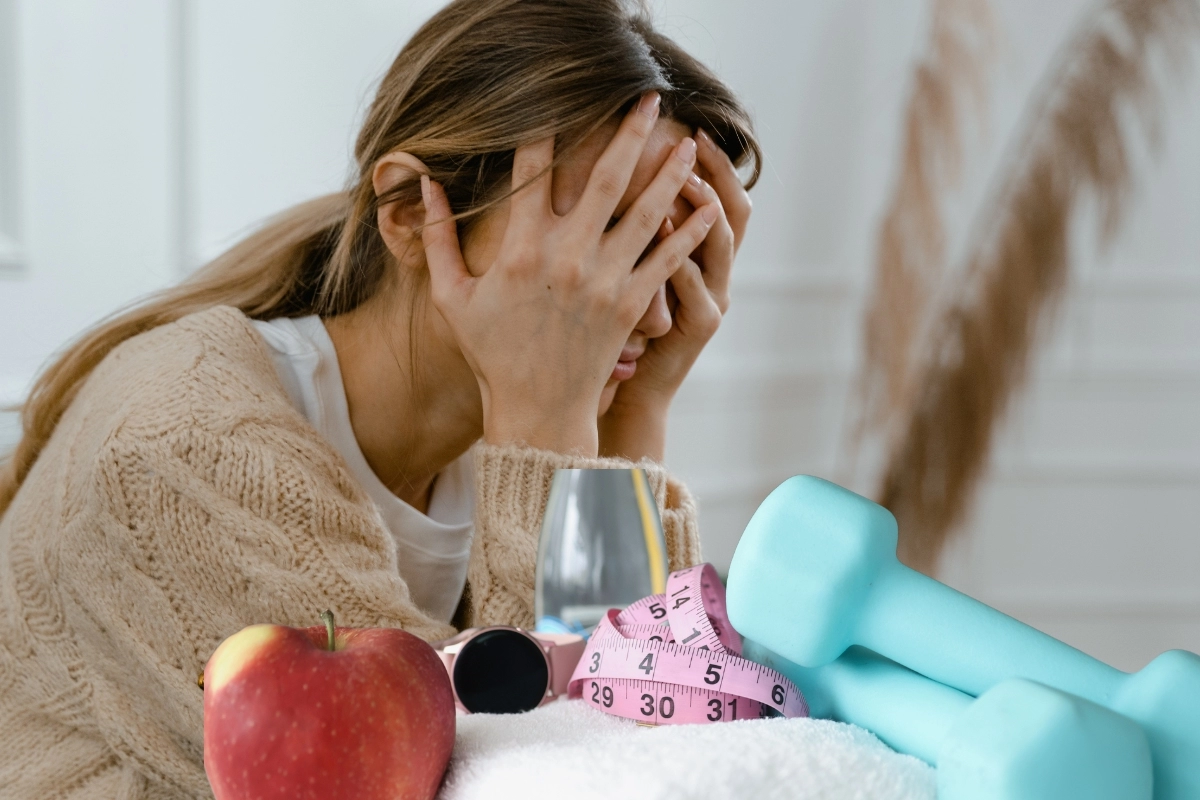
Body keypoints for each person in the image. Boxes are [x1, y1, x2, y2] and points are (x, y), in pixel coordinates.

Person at [0, 0, 759, 795]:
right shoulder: (189, 448)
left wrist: (636, 414)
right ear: (407, 216)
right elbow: (539, 776)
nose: (650, 308)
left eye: (673, 252)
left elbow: (656, 735)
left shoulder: (512, 408)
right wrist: (552, 433)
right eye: (604, 239)